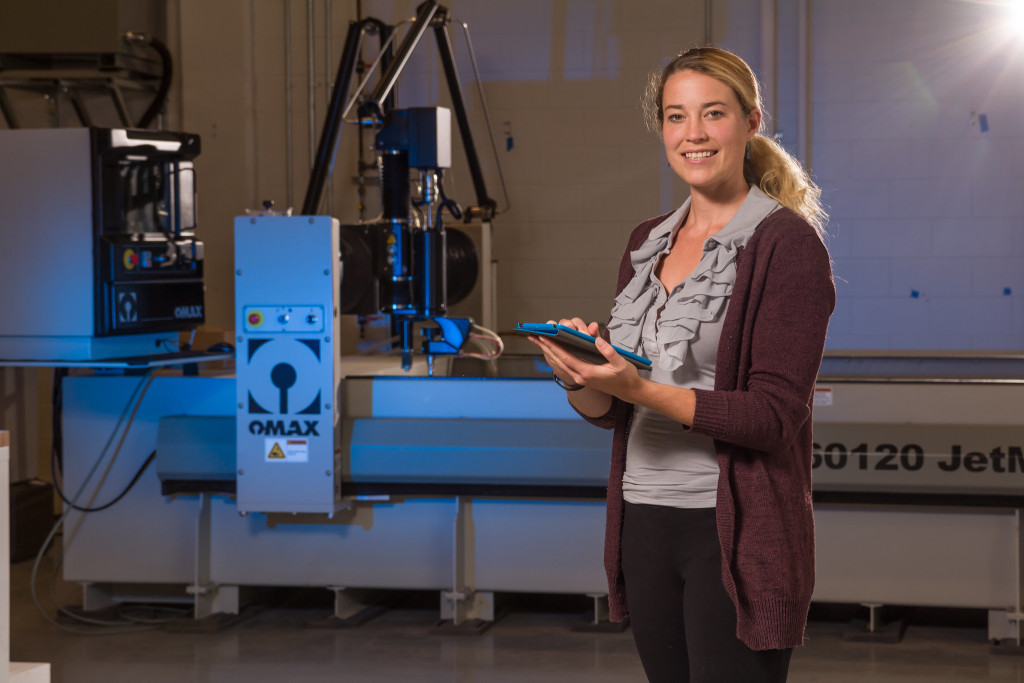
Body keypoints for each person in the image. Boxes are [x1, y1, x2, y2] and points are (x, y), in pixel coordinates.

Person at [529, 46, 835, 682]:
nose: (693, 134)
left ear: (751, 123)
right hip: (643, 522)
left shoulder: (785, 244)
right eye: (676, 116)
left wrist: (637, 386)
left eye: (712, 113)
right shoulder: (647, 241)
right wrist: (580, 375)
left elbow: (774, 417)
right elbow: (615, 412)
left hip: (734, 532)